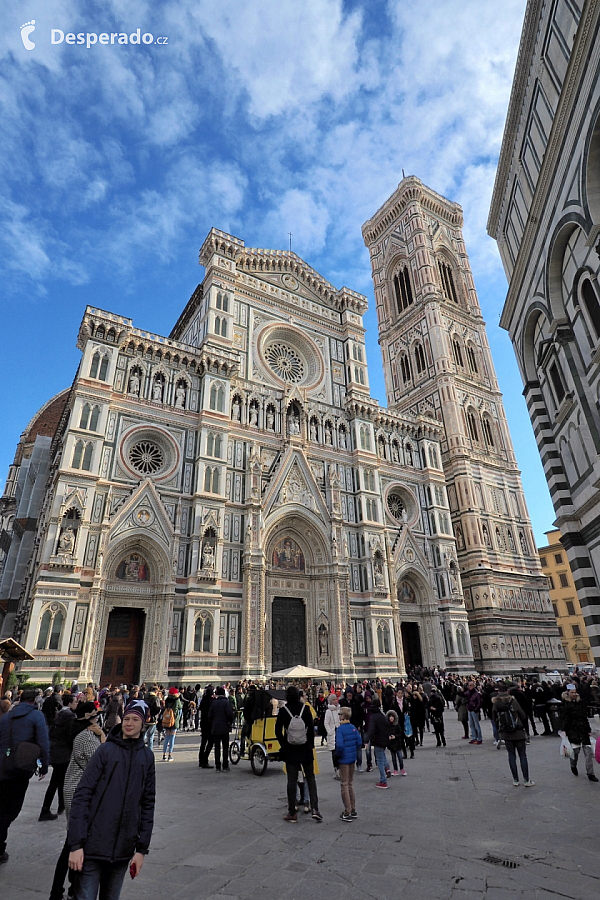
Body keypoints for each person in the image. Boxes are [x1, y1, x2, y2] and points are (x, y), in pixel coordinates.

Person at [67, 701, 155, 900]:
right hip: (92, 847)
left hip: (123, 851)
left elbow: (148, 804)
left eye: (135, 719)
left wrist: (141, 850)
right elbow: (82, 795)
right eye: (126, 719)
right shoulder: (105, 751)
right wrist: (76, 845)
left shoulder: (147, 758)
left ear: (143, 724)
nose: (129, 723)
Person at [49, 702, 106, 900]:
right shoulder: (86, 736)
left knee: (75, 843)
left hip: (77, 791)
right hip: (79, 793)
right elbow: (100, 762)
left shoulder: (87, 734)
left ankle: (70, 887)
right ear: (89, 718)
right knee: (73, 843)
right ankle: (61, 890)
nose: (98, 718)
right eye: (96, 715)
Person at [0, 688, 50, 864]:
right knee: (11, 809)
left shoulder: (7, 716)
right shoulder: (36, 716)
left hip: (2, 766)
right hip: (21, 767)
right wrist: (43, 765)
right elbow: (43, 742)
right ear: (35, 700)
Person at [275, 685, 322, 823]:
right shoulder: (305, 709)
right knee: (310, 779)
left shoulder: (283, 711)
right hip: (305, 750)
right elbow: (311, 729)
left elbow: (278, 731)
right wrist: (310, 744)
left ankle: (292, 812)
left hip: (291, 752)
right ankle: (315, 809)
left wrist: (285, 744)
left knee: (291, 781)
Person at [39, 691, 78, 822]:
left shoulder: (60, 713)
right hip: (63, 753)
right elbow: (69, 735)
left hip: (56, 750)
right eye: (75, 702)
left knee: (60, 780)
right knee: (56, 781)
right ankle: (45, 809)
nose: (76, 703)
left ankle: (62, 805)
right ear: (70, 703)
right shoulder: (70, 716)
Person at [492, 682, 534, 787]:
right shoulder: (512, 701)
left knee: (511, 756)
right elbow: (523, 715)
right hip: (518, 731)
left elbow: (494, 719)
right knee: (522, 756)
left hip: (506, 733)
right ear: (507, 691)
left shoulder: (496, 703)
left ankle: (515, 780)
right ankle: (526, 780)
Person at [560, 683, 599, 781]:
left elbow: (584, 717)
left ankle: (590, 773)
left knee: (588, 753)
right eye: (572, 692)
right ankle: (573, 765)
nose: (574, 694)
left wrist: (588, 730)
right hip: (573, 731)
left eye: (575, 692)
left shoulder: (580, 703)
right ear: (568, 692)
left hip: (583, 730)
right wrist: (565, 730)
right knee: (575, 752)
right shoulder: (565, 704)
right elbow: (565, 719)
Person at [335, 707, 362, 821]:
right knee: (350, 784)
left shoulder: (340, 729)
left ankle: (347, 811)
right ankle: (353, 808)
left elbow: (340, 746)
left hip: (344, 760)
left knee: (344, 784)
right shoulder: (353, 728)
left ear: (342, 716)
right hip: (352, 759)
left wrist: (338, 755)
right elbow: (359, 742)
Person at [364, 697, 392, 788]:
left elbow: (371, 730)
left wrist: (366, 740)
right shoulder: (382, 715)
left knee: (379, 759)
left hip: (377, 740)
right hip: (384, 739)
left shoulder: (373, 717)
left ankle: (383, 780)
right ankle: (387, 767)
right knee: (382, 755)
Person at [208, 686, 234, 772]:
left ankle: (218, 766)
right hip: (225, 728)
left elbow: (210, 716)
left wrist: (213, 723)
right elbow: (230, 715)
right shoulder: (226, 703)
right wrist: (230, 722)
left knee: (217, 747)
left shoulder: (214, 703)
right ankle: (225, 765)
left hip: (215, 728)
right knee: (225, 747)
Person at [162, 687, 182, 761]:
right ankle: (170, 754)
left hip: (167, 720)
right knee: (172, 738)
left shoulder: (167, 700)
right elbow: (180, 708)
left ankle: (164, 754)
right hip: (174, 721)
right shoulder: (177, 700)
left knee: (167, 737)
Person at [324, 693, 340, 779]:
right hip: (332, 733)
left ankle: (341, 769)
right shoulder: (328, 711)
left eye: (336, 699)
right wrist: (330, 731)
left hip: (339, 732)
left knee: (340, 751)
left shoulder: (339, 709)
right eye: (333, 700)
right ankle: (336, 769)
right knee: (334, 753)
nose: (335, 701)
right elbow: (326, 722)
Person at [198, 685, 215, 767]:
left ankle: (200, 760)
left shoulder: (203, 700)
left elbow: (200, 708)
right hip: (210, 724)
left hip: (203, 723)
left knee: (203, 742)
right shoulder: (212, 701)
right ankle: (205, 760)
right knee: (211, 742)